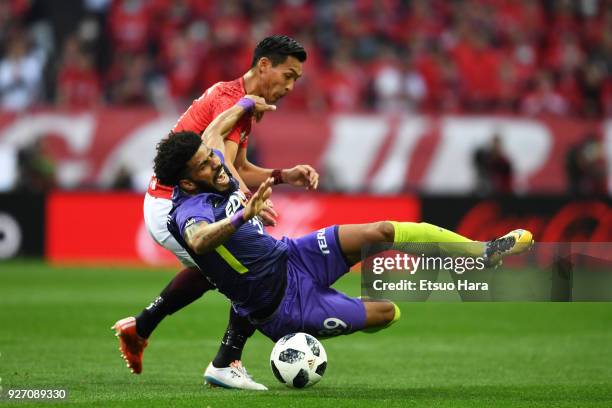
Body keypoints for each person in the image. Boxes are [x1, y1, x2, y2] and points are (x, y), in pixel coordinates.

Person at [154, 109, 534, 360]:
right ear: (187, 182)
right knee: (387, 312)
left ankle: (481, 252)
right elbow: (200, 239)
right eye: (205, 165)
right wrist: (243, 217)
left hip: (293, 257)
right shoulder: (191, 209)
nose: (216, 163)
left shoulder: (208, 165)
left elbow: (215, 130)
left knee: (383, 230)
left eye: (211, 155)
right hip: (283, 307)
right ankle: (321, 319)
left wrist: (248, 100)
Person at [113, 35, 317, 390]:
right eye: (288, 75)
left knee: (215, 271)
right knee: (251, 269)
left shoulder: (241, 103)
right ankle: (226, 363)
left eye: (296, 79)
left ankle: (141, 327)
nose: (290, 86)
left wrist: (284, 175)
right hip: (173, 205)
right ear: (264, 65)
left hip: (183, 203)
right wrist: (248, 200)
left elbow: (236, 166)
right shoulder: (232, 102)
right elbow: (224, 168)